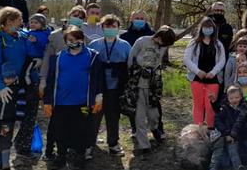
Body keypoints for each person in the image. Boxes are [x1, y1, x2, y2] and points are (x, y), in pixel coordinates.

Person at [43, 27, 103, 170]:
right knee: (61, 130)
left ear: (83, 39)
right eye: (70, 40)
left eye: (77, 39)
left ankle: (79, 156)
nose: (74, 42)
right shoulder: (58, 57)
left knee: (81, 130)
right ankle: (61, 156)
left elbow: (98, 78)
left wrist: (99, 96)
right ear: (65, 41)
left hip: (82, 102)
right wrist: (47, 101)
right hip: (61, 102)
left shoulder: (93, 56)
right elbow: (51, 80)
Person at [0, 7, 38, 167]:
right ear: (8, 22)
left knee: (26, 116)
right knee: (1, 119)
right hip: (6, 88)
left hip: (24, 84)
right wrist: (0, 87)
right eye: (18, 21)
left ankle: (22, 151)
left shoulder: (22, 36)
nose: (21, 23)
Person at [39, 5, 86, 160]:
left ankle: (72, 149)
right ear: (69, 14)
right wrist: (43, 80)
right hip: (57, 87)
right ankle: (50, 149)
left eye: (80, 16)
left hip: (77, 90)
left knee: (76, 122)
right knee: (55, 122)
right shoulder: (54, 35)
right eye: (75, 14)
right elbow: (47, 59)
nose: (77, 17)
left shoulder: (84, 37)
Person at [125, 25, 176, 156]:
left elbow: (158, 62)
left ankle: (155, 129)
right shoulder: (142, 41)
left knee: (154, 114)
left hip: (153, 85)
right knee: (140, 116)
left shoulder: (163, 46)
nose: (162, 44)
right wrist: (133, 75)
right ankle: (144, 145)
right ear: (158, 36)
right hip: (138, 84)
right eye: (162, 41)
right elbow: (131, 59)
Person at [88, 15, 131, 156]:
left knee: (113, 116)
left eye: (114, 26)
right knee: (94, 116)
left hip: (116, 87)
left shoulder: (125, 45)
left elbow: (130, 66)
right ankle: (89, 143)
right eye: (107, 26)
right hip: (97, 88)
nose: (110, 29)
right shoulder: (94, 44)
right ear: (102, 28)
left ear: (118, 28)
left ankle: (113, 143)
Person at [0, 63, 28, 170]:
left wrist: (18, 118)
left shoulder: (18, 89)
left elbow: (21, 104)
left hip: (7, 121)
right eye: (7, 78)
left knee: (5, 139)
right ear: (2, 77)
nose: (9, 80)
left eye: (12, 77)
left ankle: (5, 162)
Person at [183, 17, 226, 129]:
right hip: (197, 78)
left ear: (214, 28)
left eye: (210, 27)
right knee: (198, 104)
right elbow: (186, 59)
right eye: (206, 27)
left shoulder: (218, 44)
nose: (208, 29)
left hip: (213, 79)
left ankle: (211, 129)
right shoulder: (194, 43)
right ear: (201, 28)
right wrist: (197, 71)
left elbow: (222, 61)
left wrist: (213, 72)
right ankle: (198, 130)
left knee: (210, 105)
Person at [207, 86, 247, 170]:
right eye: (231, 98)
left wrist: (232, 135)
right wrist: (225, 133)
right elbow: (217, 119)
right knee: (218, 150)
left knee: (233, 149)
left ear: (241, 97)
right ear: (228, 98)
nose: (234, 100)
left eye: (237, 97)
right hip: (223, 134)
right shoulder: (225, 107)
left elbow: (239, 123)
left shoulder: (243, 108)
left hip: (234, 136)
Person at [25, 13, 50, 85]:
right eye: (31, 22)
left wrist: (36, 41)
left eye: (36, 23)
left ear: (42, 24)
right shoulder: (30, 32)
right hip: (30, 56)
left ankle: (36, 83)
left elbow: (44, 46)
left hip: (38, 57)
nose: (33, 24)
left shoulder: (44, 34)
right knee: (29, 70)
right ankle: (32, 83)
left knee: (34, 71)